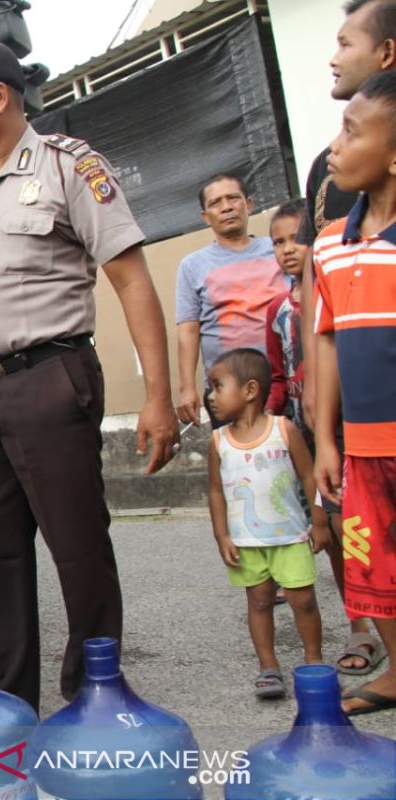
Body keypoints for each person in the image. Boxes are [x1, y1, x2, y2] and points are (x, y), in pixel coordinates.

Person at [0, 40, 179, 712]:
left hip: (51, 378)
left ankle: (95, 700)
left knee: (78, 549)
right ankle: (7, 703)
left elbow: (130, 278)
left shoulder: (68, 166)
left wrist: (158, 396)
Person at [297, 0, 396, 677]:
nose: (335, 147)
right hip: (361, 445)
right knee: (376, 567)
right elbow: (325, 336)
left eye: (352, 133)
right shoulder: (332, 243)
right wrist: (326, 437)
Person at [206, 349, 328, 699]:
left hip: (290, 536)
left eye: (218, 386)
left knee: (302, 600)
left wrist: (318, 522)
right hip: (247, 542)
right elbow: (216, 491)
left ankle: (313, 662)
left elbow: (309, 476)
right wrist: (221, 535)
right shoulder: (218, 442)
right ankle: (268, 667)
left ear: (249, 390)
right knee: (258, 602)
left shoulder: (283, 429)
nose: (211, 397)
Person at [175, 175, 287, 429]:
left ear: (248, 204)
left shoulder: (279, 249)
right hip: (228, 390)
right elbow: (188, 330)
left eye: (233, 198)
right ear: (205, 216)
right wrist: (187, 388)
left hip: (285, 380)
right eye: (216, 203)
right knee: (237, 464)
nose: (226, 207)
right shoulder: (192, 266)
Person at [264, 201, 310, 439]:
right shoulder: (277, 309)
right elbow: (278, 376)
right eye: (279, 242)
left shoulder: (332, 296)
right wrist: (269, 411)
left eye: (297, 238)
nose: (288, 249)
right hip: (303, 429)